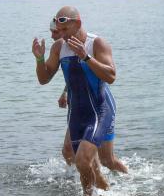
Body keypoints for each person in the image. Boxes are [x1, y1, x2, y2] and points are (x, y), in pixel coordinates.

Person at [33, 7, 121, 196]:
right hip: (76, 114)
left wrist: (86, 57)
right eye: (59, 30)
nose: (61, 35)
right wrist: (39, 59)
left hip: (99, 110)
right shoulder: (59, 47)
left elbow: (111, 76)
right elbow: (43, 79)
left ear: (78, 24)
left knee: (84, 160)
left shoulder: (96, 43)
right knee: (88, 165)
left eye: (65, 30)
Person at [50, 19, 128, 174]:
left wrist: (85, 57)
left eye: (56, 32)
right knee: (68, 151)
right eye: (52, 32)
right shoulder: (62, 47)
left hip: (100, 104)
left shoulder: (89, 44)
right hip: (80, 107)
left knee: (107, 160)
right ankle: (87, 177)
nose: (53, 36)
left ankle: (129, 178)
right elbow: (74, 75)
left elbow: (95, 74)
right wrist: (65, 91)